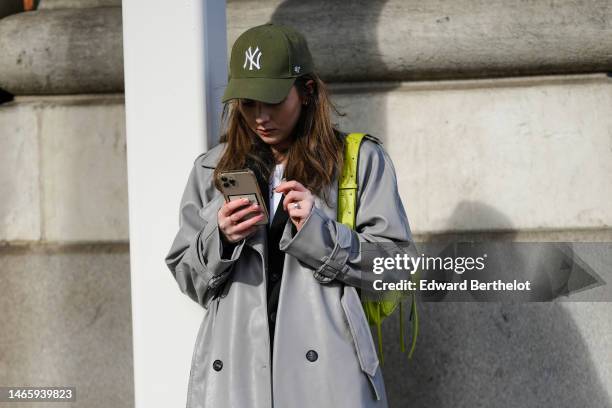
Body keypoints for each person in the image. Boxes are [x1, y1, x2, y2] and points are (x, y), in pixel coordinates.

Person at [165, 23, 413, 408]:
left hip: (328, 381)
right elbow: (186, 273)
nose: (260, 116)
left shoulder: (359, 162)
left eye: (273, 99)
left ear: (307, 91)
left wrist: (322, 234)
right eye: (248, 103)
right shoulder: (211, 169)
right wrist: (222, 236)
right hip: (236, 380)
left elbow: (395, 267)